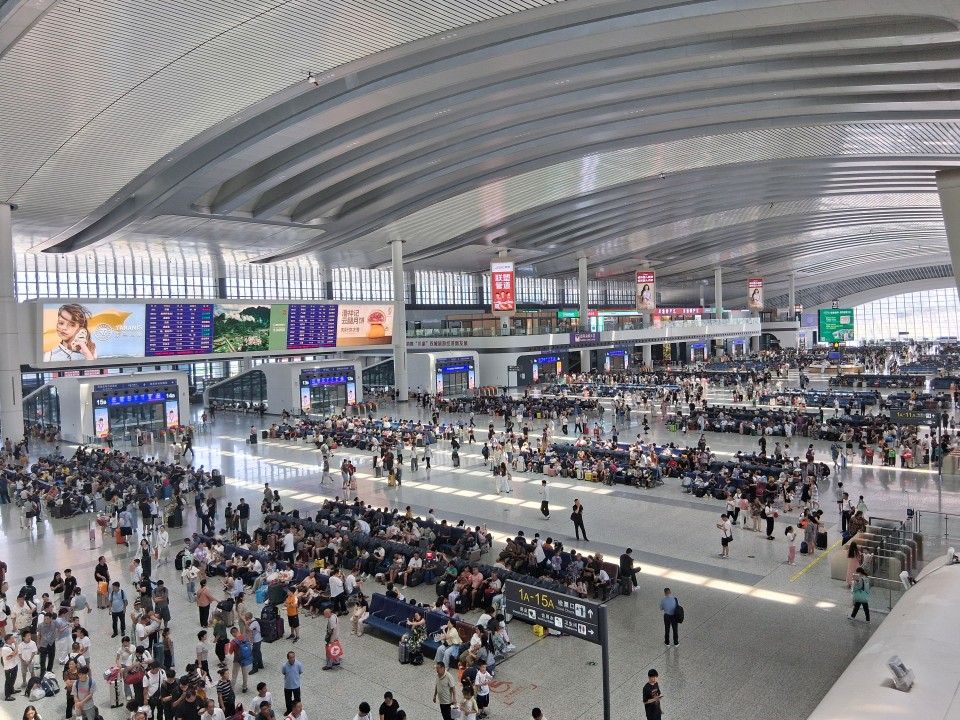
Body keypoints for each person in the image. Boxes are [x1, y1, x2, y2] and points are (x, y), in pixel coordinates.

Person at [281, 652, 303, 716]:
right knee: (288, 699)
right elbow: (284, 672)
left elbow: (300, 671)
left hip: (296, 685)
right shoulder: (284, 665)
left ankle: (298, 710)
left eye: (293, 657)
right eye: (290, 657)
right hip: (288, 685)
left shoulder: (298, 664)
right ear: (288, 658)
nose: (292, 659)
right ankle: (289, 710)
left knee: (297, 699)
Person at [3, 633, 18, 701]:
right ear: (8, 640)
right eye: (12, 638)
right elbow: (15, 653)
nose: (14, 639)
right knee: (8, 681)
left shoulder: (11, 644)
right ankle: (7, 696)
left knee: (13, 679)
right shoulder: (5, 648)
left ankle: (12, 690)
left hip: (14, 664)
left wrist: (15, 647)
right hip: (8, 667)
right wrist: (16, 644)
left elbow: (16, 652)